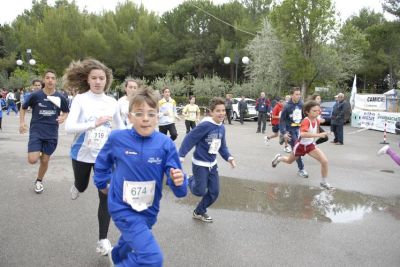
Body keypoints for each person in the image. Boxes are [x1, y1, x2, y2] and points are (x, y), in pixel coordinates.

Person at [94, 86, 187, 266]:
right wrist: (102, 183)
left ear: (158, 117)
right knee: (152, 259)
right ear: (129, 117)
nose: (145, 118)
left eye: (151, 114)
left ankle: (117, 255)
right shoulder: (117, 138)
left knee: (131, 240)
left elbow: (180, 188)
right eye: (139, 113)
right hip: (122, 207)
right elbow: (102, 162)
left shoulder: (165, 143)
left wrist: (179, 181)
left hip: (149, 210)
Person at [64, 58, 122, 256]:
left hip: (104, 157)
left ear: (107, 81)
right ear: (87, 80)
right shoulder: (80, 99)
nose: (98, 81)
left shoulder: (112, 102)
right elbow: (69, 127)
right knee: (82, 186)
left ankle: (102, 240)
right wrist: (93, 124)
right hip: (81, 153)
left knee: (105, 194)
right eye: (94, 78)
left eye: (102, 78)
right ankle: (77, 186)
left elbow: (121, 129)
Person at [179, 97, 236, 223]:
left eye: (223, 110)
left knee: (214, 192)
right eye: (218, 111)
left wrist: (229, 157)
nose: (221, 113)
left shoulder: (221, 127)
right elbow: (190, 138)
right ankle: (189, 179)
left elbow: (222, 146)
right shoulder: (205, 125)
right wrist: (181, 155)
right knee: (199, 191)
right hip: (200, 164)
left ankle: (198, 212)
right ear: (211, 112)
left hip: (212, 165)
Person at [19, 70, 69, 193]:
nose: (50, 80)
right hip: (37, 131)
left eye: (53, 78)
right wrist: (22, 122)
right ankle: (39, 150)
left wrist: (63, 117)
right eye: (47, 78)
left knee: (45, 160)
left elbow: (66, 111)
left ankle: (39, 181)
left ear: (56, 80)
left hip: (51, 132)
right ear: (44, 80)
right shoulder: (36, 95)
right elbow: (23, 107)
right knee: (32, 160)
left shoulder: (60, 97)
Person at [272, 100, 332, 190]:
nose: (317, 112)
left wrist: (325, 133)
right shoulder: (306, 121)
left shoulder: (317, 120)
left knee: (325, 161)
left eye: (318, 110)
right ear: (307, 112)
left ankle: (323, 182)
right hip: (300, 146)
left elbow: (316, 131)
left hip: (310, 146)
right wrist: (319, 135)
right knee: (289, 161)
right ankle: (279, 158)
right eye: (314, 111)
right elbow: (303, 134)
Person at [279, 87, 309, 178]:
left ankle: (279, 157)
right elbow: (282, 120)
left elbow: (305, 117)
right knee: (297, 149)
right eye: (296, 94)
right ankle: (301, 169)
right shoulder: (287, 106)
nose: (298, 96)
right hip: (290, 131)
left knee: (301, 148)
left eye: (299, 94)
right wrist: (284, 132)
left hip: (299, 130)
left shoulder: (301, 104)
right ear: (292, 95)